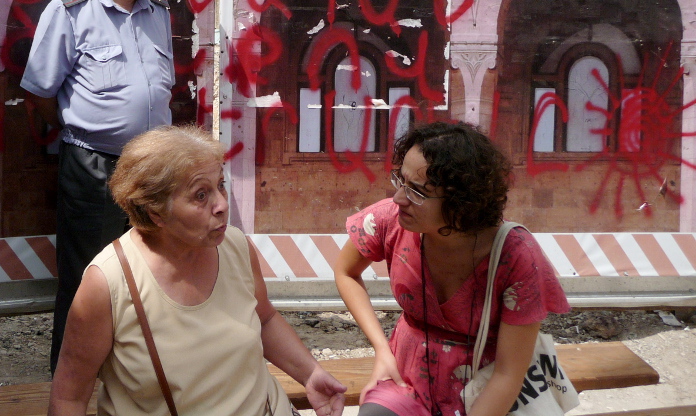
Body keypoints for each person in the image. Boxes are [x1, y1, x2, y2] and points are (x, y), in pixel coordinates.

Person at [48, 125, 347, 416]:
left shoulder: (235, 246)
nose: (222, 205)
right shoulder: (109, 281)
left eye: (220, 185)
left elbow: (264, 318)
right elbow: (68, 397)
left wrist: (310, 373)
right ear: (155, 212)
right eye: (200, 195)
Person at [20, 0, 175, 373]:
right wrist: (79, 129)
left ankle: (135, 373)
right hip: (94, 165)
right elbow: (39, 92)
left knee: (150, 272)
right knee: (87, 275)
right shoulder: (71, 10)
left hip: (152, 167)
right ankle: (72, 382)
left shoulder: (158, 13)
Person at [334, 121, 570, 416]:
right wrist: (382, 349)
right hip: (406, 378)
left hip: (482, 389)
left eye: (417, 192)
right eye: (400, 181)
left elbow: (507, 375)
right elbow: (346, 272)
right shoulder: (390, 220)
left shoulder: (517, 256)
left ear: (462, 202)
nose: (399, 198)